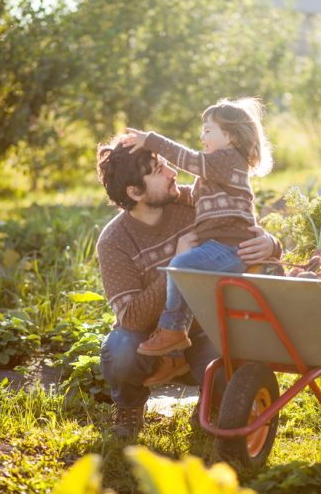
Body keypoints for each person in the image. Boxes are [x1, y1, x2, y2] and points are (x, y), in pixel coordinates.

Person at [96, 137, 281, 438]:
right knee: (120, 350)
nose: (173, 173)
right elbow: (130, 317)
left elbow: (243, 237)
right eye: (158, 170)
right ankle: (129, 408)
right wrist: (176, 262)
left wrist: (270, 244)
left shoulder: (195, 200)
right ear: (135, 192)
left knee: (233, 371)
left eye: (167, 164)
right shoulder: (114, 241)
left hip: (206, 327)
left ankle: (211, 405)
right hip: (151, 337)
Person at [121, 97, 273, 385]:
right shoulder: (214, 175)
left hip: (231, 246)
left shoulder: (228, 160)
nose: (202, 137)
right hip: (218, 246)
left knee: (182, 266)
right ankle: (174, 356)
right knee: (189, 282)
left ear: (228, 136)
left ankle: (172, 330)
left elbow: (190, 160)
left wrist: (151, 141)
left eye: (208, 130)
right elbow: (193, 193)